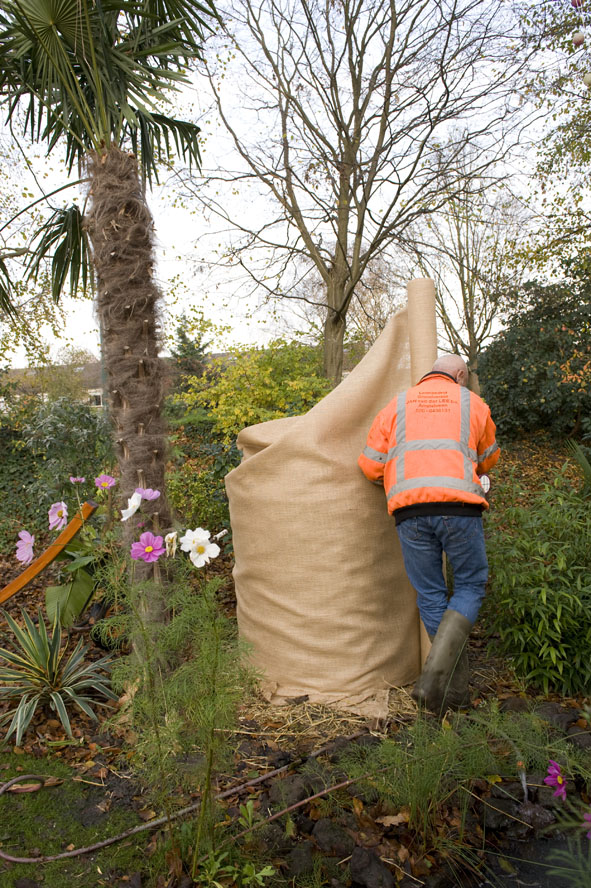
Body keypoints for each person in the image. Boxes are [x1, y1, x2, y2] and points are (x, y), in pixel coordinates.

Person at [358, 354, 500, 714]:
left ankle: (448, 695)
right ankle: (436, 683)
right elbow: (488, 459)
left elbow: (370, 465)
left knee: (431, 594)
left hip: (410, 512)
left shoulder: (397, 405)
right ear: (460, 375)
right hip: (460, 509)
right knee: (470, 584)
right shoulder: (473, 403)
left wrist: (399, 479)